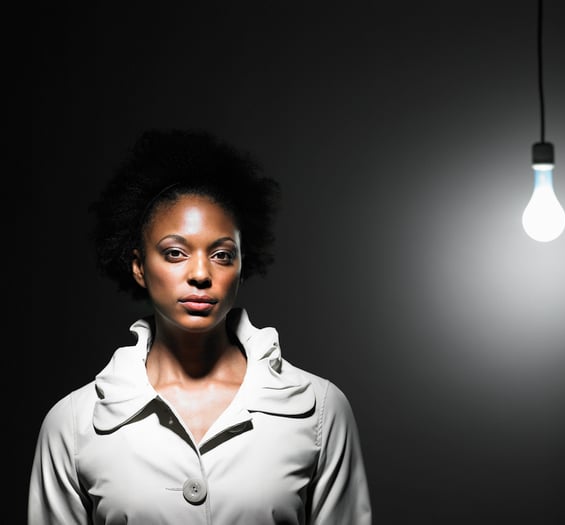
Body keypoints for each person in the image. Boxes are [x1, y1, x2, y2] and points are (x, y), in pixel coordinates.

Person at [28, 128, 372, 524]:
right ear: (139, 265)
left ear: (243, 266)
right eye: (175, 252)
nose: (200, 274)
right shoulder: (72, 424)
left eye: (222, 254)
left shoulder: (321, 411)